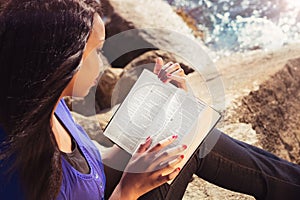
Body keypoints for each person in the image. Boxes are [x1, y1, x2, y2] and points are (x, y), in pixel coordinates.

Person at [0, 1, 299, 200]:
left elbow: (88, 164)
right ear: (60, 63)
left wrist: (158, 108)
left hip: (110, 186)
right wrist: (129, 190)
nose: (103, 63)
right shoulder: (22, 173)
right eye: (96, 52)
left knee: (186, 132)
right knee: (190, 144)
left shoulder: (48, 107)